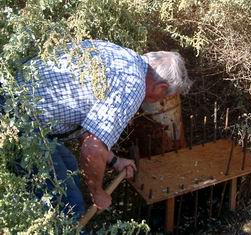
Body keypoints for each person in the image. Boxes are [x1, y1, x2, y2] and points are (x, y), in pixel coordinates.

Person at [16, 40, 192, 221]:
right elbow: (91, 148)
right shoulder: (134, 86)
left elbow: (89, 132)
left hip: (16, 101)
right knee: (69, 204)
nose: (158, 101)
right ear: (160, 87)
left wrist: (115, 160)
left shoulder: (124, 56)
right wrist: (97, 193)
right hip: (16, 123)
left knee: (69, 167)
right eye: (164, 96)